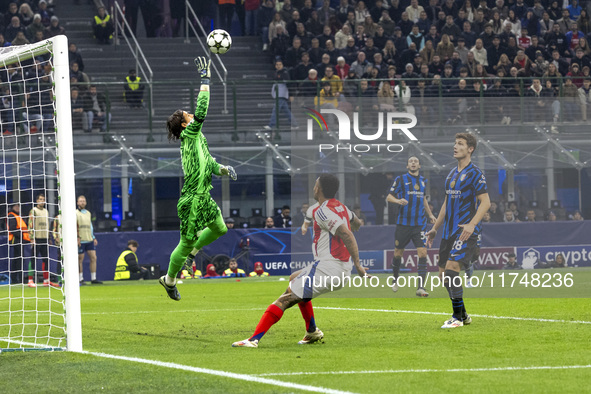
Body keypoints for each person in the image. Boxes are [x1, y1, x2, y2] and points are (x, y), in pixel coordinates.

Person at [232, 174, 367, 348]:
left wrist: (358, 264)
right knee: (294, 278)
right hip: (338, 268)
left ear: (319, 189)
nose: (313, 188)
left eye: (315, 184)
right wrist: (351, 236)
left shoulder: (323, 212)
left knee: (284, 299)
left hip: (328, 268)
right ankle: (312, 332)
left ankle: (253, 339)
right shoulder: (342, 208)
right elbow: (356, 224)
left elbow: (347, 233)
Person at [160, 57, 237, 301]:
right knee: (184, 242)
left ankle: (193, 252)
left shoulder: (198, 139)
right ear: (185, 124)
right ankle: (169, 280)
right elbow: (202, 111)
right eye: (188, 114)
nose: (192, 114)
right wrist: (205, 79)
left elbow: (210, 164)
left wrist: (224, 169)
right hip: (192, 199)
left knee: (220, 228)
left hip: (204, 196)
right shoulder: (190, 135)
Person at [426, 133, 490, 328]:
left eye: (460, 144)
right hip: (448, 232)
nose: (455, 147)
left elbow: (486, 202)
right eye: (455, 143)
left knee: (453, 269)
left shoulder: (475, 173)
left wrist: (471, 225)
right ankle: (463, 314)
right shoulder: (452, 174)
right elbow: (447, 202)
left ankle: (456, 318)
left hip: (465, 232)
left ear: (470, 149)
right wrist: (435, 228)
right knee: (444, 276)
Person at [387, 157, 437, 296]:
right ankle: (395, 279)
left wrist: (430, 215)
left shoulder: (422, 181)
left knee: (423, 253)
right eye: (411, 161)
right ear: (407, 165)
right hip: (403, 224)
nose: (413, 163)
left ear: (419, 165)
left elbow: (423, 199)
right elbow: (389, 197)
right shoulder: (401, 179)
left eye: (416, 161)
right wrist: (398, 200)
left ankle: (421, 287)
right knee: (398, 253)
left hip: (419, 224)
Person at [28, 193, 57, 287]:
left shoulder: (46, 211)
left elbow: (47, 225)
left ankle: (46, 280)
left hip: (44, 239)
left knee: (46, 259)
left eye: (43, 199)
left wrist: (49, 237)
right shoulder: (33, 211)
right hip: (36, 238)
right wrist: (32, 238)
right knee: (33, 259)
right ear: (37, 201)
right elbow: (30, 224)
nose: (42, 201)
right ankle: (30, 280)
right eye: (40, 199)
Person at [76, 195, 101, 285]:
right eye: (80, 201)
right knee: (80, 259)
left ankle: (93, 278)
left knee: (93, 258)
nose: (82, 202)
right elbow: (75, 226)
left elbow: (90, 226)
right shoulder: (75, 213)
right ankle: (80, 278)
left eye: (84, 201)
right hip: (81, 240)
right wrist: (77, 238)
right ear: (77, 203)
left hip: (89, 239)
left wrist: (93, 237)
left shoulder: (88, 213)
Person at [7, 203, 32, 286]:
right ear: (12, 207)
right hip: (15, 240)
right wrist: (21, 235)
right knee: (18, 259)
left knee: (18, 259)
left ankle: (17, 278)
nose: (18, 208)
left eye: (18, 206)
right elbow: (13, 229)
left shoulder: (17, 216)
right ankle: (17, 279)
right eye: (16, 206)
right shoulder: (11, 216)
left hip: (20, 239)